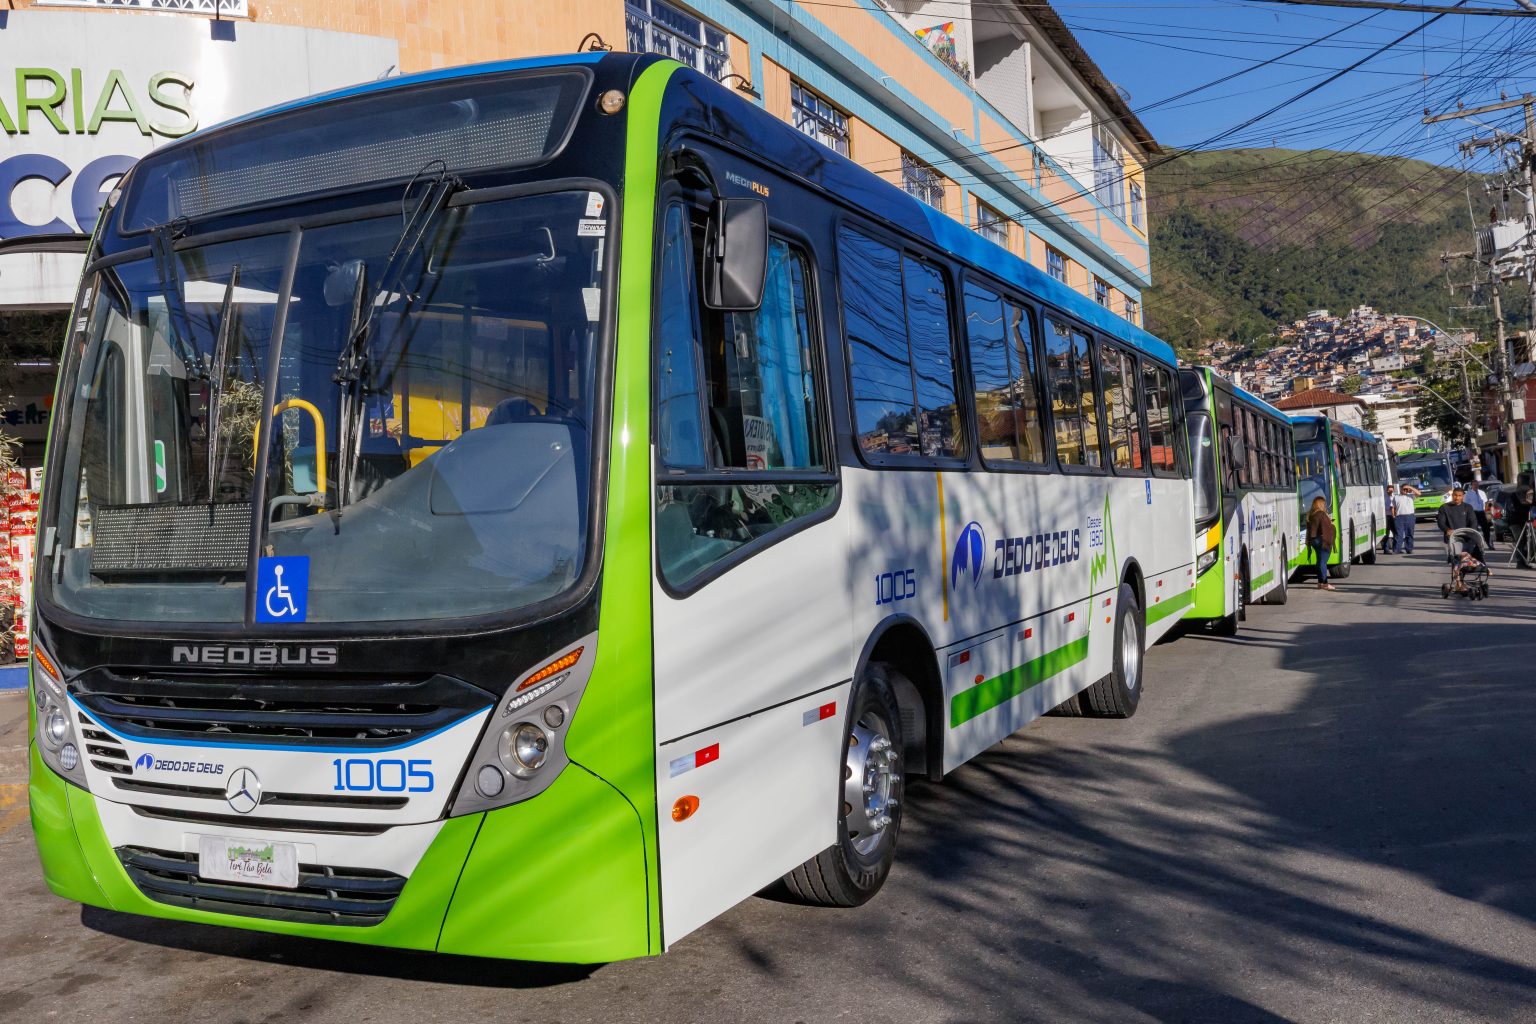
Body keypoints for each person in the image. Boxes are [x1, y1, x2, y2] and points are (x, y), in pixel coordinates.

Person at [1306, 495, 1338, 591]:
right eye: (1324, 504)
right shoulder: (1322, 514)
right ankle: (1325, 583)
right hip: (1322, 541)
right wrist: (1331, 524)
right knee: (1323, 562)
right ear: (1321, 504)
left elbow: (1310, 529)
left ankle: (1320, 583)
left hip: (1313, 541)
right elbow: (1327, 528)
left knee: (1319, 561)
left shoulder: (1310, 514)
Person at [1463, 479, 1492, 549]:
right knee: (1474, 529)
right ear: (1471, 486)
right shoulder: (1468, 494)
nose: (1476, 486)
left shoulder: (1482, 493)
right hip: (1473, 513)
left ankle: (1489, 543)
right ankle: (1474, 545)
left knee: (1486, 528)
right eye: (1474, 485)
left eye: (1477, 484)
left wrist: (1488, 513)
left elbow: (1486, 503)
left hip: (1482, 512)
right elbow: (1465, 505)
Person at [1392, 484, 1418, 554]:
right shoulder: (1396, 497)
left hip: (1410, 516)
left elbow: (1419, 493)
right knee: (1399, 534)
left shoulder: (1411, 496)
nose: (1405, 490)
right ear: (1400, 489)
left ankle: (1409, 549)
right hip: (1399, 517)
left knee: (1409, 533)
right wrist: (1393, 515)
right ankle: (1397, 550)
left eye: (1406, 489)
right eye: (1404, 489)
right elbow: (1393, 507)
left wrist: (1410, 487)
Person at [1383, 483, 1396, 555]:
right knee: (1386, 533)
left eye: (1391, 490)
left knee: (1395, 532)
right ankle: (1386, 549)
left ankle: (1395, 548)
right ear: (1386, 490)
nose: (1390, 491)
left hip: (1393, 516)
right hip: (1386, 516)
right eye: (1389, 490)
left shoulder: (1394, 497)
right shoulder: (1384, 497)